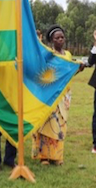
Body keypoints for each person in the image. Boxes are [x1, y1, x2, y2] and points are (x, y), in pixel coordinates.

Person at [34, 24, 79, 165]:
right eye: (57, 38)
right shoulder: (48, 54)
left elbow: (69, 72)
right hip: (50, 93)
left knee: (60, 124)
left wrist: (79, 69)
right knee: (47, 123)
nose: (60, 39)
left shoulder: (68, 55)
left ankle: (57, 156)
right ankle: (44, 157)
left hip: (65, 94)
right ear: (51, 40)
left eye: (62, 37)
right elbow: (41, 71)